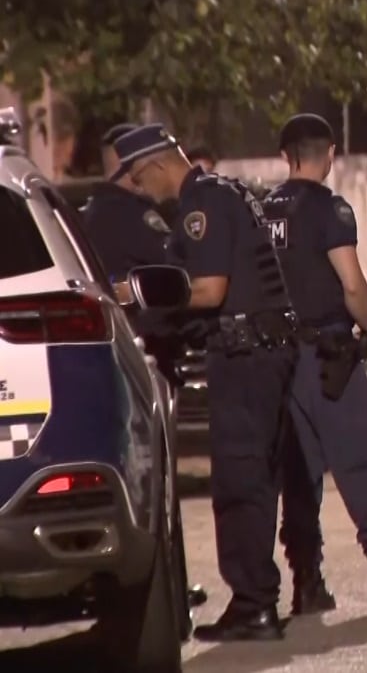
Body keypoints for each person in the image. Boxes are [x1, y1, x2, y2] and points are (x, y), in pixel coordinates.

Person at [111, 124, 298, 640]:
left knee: (239, 483)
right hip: (266, 350)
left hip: (244, 355)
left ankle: (253, 605)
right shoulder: (228, 190)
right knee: (256, 479)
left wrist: (138, 292)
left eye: (141, 181)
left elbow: (211, 291)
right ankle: (257, 599)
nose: (145, 192)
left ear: (152, 166)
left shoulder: (201, 206)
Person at [263, 113, 367, 614]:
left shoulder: (263, 209)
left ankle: (307, 582)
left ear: (286, 155)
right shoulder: (329, 210)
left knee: (299, 475)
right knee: (362, 461)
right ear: (329, 153)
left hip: (279, 361)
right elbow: (351, 283)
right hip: (328, 356)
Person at [83, 122, 209, 608]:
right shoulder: (127, 216)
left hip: (126, 357)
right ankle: (170, 593)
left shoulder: (93, 215)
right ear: (130, 173)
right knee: (159, 486)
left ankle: (172, 590)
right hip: (149, 356)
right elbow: (174, 274)